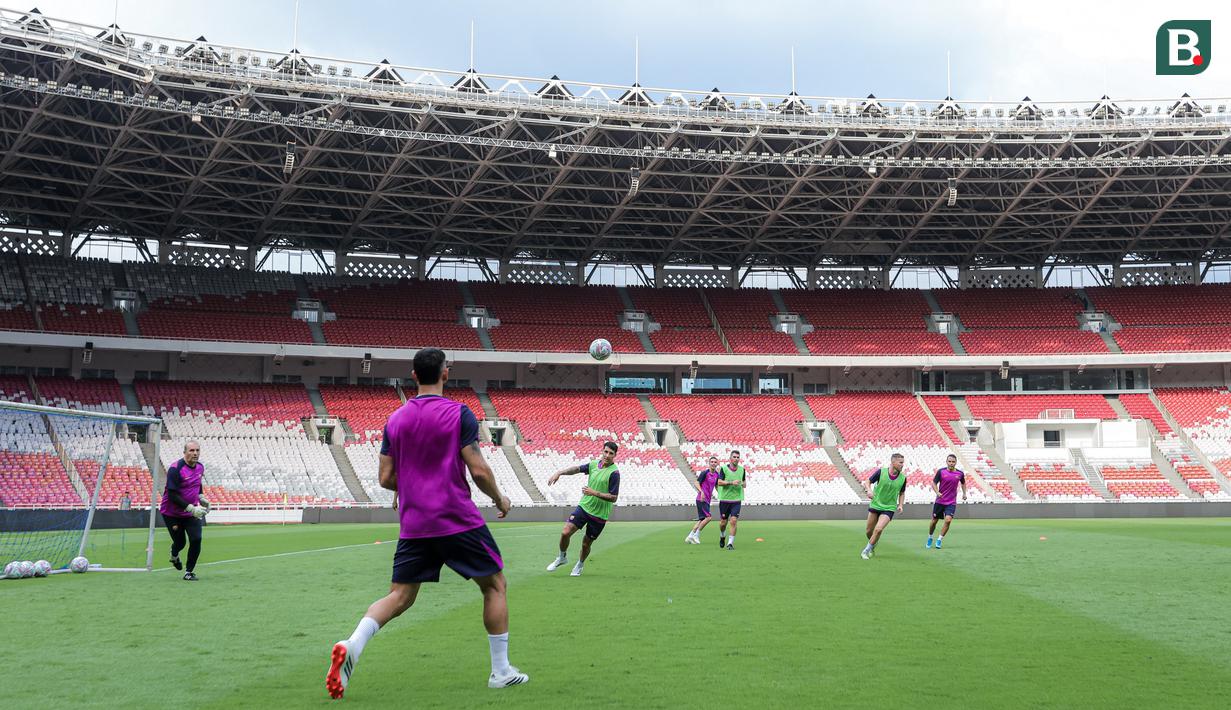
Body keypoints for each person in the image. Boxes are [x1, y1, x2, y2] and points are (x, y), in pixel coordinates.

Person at [326, 348, 527, 700]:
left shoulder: (396, 419)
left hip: (415, 523)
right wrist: (500, 499)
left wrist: (410, 485)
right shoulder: (459, 414)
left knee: (400, 596)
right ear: (445, 374)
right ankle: (501, 671)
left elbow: (386, 477)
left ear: (414, 376)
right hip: (456, 518)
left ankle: (353, 643)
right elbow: (479, 470)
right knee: (494, 585)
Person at [545, 441, 620, 577]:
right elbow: (576, 469)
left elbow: (613, 497)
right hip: (584, 507)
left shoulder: (614, 473)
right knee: (565, 532)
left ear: (615, 455)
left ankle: (580, 564)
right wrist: (559, 472)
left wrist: (594, 492)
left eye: (611, 453)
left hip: (599, 515)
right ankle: (562, 557)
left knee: (586, 544)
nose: (607, 455)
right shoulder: (593, 465)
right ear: (602, 451)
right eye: (606, 452)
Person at [159, 440, 210, 581]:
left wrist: (201, 497)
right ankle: (174, 554)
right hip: (172, 513)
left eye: (197, 450)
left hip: (191, 512)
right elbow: (172, 495)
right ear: (184, 452)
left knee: (196, 539)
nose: (195, 453)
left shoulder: (200, 467)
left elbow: (198, 483)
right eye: (191, 450)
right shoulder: (175, 469)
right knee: (180, 542)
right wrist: (191, 508)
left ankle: (189, 572)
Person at [861, 453, 907, 560]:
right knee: (869, 531)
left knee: (878, 529)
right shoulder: (881, 472)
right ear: (893, 462)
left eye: (903, 463)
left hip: (889, 508)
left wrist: (900, 505)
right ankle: (873, 544)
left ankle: (866, 551)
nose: (902, 465)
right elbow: (868, 481)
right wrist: (869, 490)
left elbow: (902, 493)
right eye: (900, 462)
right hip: (876, 504)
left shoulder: (903, 478)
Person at [927, 454, 967, 549]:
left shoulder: (960, 473)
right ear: (946, 462)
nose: (951, 463)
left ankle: (939, 540)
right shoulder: (941, 471)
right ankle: (930, 537)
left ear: (956, 462)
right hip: (940, 501)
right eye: (949, 461)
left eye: (953, 462)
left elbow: (963, 483)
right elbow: (934, 483)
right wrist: (937, 492)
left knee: (948, 520)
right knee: (934, 521)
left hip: (951, 502)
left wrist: (964, 493)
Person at [685, 455, 721, 544]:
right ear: (709, 463)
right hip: (701, 499)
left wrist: (721, 494)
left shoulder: (717, 475)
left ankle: (690, 536)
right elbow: (696, 482)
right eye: (712, 462)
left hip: (707, 500)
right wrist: (701, 492)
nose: (713, 463)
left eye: (715, 462)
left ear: (717, 464)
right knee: (708, 518)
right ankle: (696, 535)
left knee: (702, 519)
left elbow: (716, 486)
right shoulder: (705, 473)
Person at [716, 450, 747, 550]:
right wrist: (731, 482)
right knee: (723, 523)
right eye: (734, 457)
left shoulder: (742, 470)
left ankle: (730, 543)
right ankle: (722, 536)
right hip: (725, 500)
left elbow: (744, 484)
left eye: (738, 457)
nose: (736, 459)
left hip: (736, 500)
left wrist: (742, 483)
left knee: (733, 521)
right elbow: (719, 482)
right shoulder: (724, 469)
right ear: (730, 458)